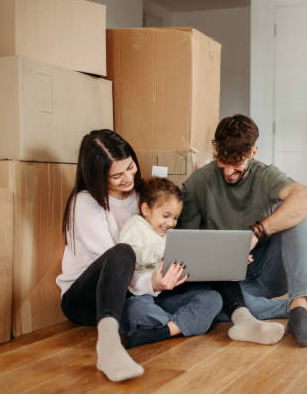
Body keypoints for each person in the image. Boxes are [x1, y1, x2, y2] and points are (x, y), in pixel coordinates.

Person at [56, 129, 222, 382]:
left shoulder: (141, 197)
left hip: (137, 293)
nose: (127, 178)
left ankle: (167, 327)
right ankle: (109, 345)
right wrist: (153, 284)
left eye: (130, 167)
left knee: (211, 294)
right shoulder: (85, 203)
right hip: (89, 298)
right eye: (117, 175)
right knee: (123, 252)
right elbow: (117, 268)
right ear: (97, 176)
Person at [179, 114, 307, 347]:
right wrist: (222, 257)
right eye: (223, 163)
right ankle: (298, 308)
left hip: (269, 269)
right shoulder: (197, 184)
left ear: (253, 153)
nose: (228, 172)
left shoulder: (265, 175)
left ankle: (298, 308)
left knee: (295, 215)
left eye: (237, 165)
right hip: (231, 282)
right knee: (216, 305)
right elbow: (187, 248)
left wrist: (256, 232)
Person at [119, 177, 284, 347]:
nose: (170, 223)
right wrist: (165, 249)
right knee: (135, 311)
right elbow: (130, 257)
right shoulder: (135, 227)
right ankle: (172, 327)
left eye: (175, 218)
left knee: (214, 299)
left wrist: (229, 259)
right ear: (145, 209)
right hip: (144, 296)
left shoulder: (168, 235)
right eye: (166, 216)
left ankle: (159, 331)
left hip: (169, 295)